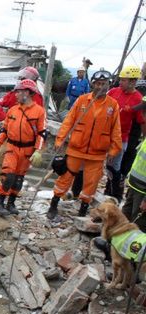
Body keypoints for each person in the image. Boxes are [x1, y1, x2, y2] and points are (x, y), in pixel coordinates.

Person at [47, 69, 122, 220]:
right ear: (93, 84)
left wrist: (114, 151)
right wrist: (60, 140)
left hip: (97, 153)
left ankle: (82, 210)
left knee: (91, 183)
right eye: (98, 84)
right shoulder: (82, 101)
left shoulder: (112, 105)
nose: (101, 87)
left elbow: (116, 130)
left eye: (104, 84)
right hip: (76, 149)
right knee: (65, 177)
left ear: (109, 85)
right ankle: (53, 205)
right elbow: (68, 121)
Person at [0, 79, 46, 217]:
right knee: (8, 175)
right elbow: (4, 130)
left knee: (19, 179)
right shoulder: (12, 110)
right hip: (12, 147)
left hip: (27, 150)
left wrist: (38, 151)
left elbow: (42, 133)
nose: (15, 95)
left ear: (27, 93)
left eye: (19, 92)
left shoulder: (39, 112)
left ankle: (11, 203)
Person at [104, 65, 146, 201]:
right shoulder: (113, 92)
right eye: (121, 80)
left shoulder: (138, 98)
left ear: (133, 82)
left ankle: (115, 195)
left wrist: (144, 138)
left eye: (124, 80)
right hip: (104, 135)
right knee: (104, 165)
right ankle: (107, 191)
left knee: (114, 167)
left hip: (121, 137)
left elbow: (142, 121)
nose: (120, 82)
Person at [122, 138, 146, 232]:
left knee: (138, 224)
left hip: (142, 191)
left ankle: (132, 246)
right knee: (124, 216)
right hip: (133, 185)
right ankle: (115, 242)